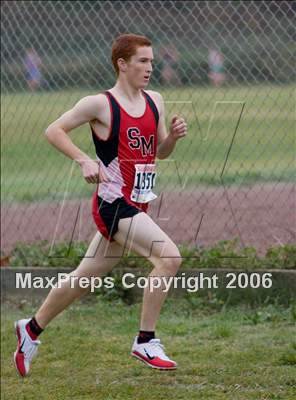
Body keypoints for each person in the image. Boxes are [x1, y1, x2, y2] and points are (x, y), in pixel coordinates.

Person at [14, 34, 187, 376]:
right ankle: (145, 340)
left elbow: (158, 154)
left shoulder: (155, 100)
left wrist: (172, 139)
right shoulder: (100, 104)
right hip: (114, 204)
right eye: (142, 61)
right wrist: (82, 160)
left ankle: (30, 330)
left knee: (84, 277)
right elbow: (54, 130)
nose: (149, 67)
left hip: (138, 203)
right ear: (122, 65)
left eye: (151, 61)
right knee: (169, 258)